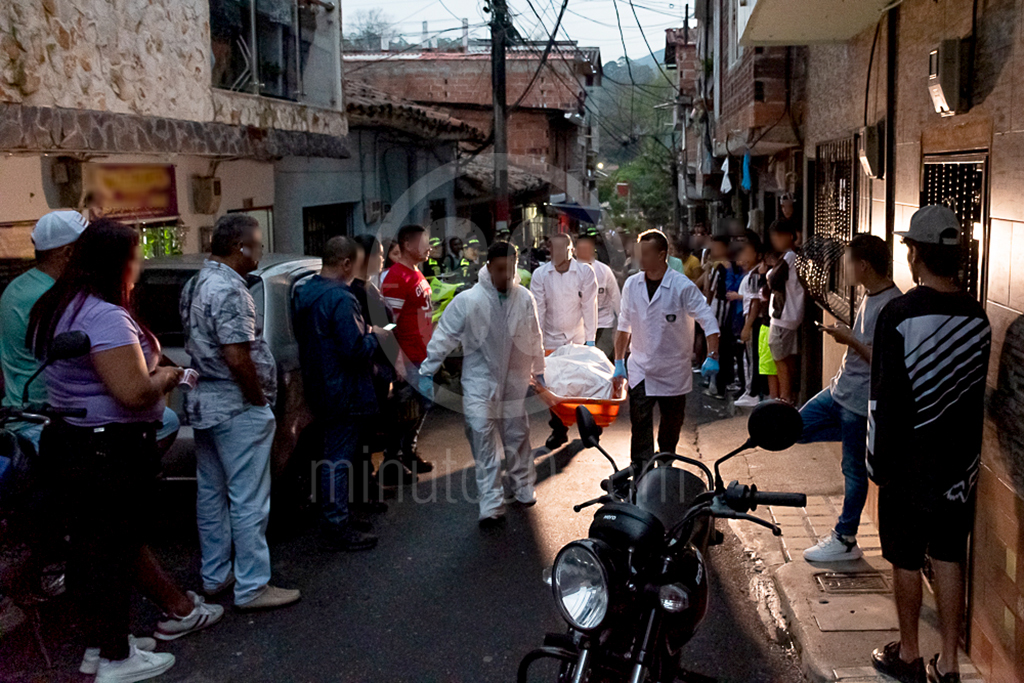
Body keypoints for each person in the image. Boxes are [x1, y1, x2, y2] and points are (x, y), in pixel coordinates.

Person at [29, 219, 223, 683]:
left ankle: (101, 647)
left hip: (73, 443)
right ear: (119, 263)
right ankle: (117, 659)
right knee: (113, 554)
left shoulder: (58, 305)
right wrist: (172, 376)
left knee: (94, 551)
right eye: (136, 257)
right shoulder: (104, 316)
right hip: (107, 451)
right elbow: (133, 393)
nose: (140, 266)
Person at [868, 206, 991, 683]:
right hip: (961, 466)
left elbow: (883, 400)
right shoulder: (977, 316)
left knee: (904, 556)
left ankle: (910, 656)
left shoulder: (898, 314)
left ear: (916, 254)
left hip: (906, 464)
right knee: (949, 553)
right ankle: (950, 663)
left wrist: (877, 463)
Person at [180, 214, 299, 611]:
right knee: (248, 499)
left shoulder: (195, 282)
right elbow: (236, 355)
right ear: (239, 247)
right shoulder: (230, 289)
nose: (260, 252)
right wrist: (257, 400)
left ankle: (216, 575)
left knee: (211, 494)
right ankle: (252, 586)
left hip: (205, 404)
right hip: (234, 403)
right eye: (257, 245)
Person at [419, 242, 545, 527]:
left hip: (513, 380)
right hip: (479, 381)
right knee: (482, 438)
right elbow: (445, 337)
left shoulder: (523, 298)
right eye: (500, 269)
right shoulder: (468, 301)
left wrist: (540, 370)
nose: (505, 276)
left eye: (510, 270)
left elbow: (534, 335)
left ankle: (522, 486)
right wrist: (426, 371)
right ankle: (491, 504)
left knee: (517, 435)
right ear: (488, 267)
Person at [799, 235, 900, 562]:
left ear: (864, 265)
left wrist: (849, 339)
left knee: (854, 472)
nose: (844, 270)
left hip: (858, 403)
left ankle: (845, 538)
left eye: (848, 263)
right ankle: (855, 438)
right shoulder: (872, 295)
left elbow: (885, 362)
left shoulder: (891, 304)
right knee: (793, 428)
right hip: (839, 390)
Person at [293, 237, 384, 551]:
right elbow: (354, 349)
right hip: (344, 388)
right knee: (338, 460)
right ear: (346, 263)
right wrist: (375, 335)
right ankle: (337, 523)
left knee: (331, 456)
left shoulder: (305, 292)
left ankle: (338, 514)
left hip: (319, 385)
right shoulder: (341, 299)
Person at [613, 230, 721, 468]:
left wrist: (712, 354)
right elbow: (624, 325)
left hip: (673, 370)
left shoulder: (682, 286)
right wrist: (619, 361)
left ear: (662, 255)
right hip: (640, 367)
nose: (640, 258)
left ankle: (665, 466)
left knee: (671, 426)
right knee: (640, 423)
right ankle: (641, 472)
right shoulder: (632, 284)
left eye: (646, 253)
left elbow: (708, 320)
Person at [529, 232, 598, 449]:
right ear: (549, 250)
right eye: (554, 249)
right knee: (553, 386)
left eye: (563, 249)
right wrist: (537, 343)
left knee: (584, 383)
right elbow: (538, 310)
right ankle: (559, 429)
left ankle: (591, 426)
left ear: (571, 250)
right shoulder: (540, 275)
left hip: (577, 336)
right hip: (550, 337)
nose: (558, 253)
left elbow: (589, 306)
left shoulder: (585, 272)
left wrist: (591, 340)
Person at [381, 224, 435, 480]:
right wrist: (398, 361)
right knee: (402, 413)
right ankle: (392, 461)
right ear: (408, 244)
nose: (429, 248)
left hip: (424, 356)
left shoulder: (416, 273)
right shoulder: (396, 278)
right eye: (425, 242)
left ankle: (408, 451)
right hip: (409, 358)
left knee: (421, 407)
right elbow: (388, 324)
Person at [350, 234, 396, 511]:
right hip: (371, 370)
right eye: (378, 254)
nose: (382, 259)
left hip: (377, 368)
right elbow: (375, 332)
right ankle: (364, 494)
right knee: (363, 438)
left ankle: (369, 488)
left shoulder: (368, 287)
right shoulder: (359, 292)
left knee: (368, 437)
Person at [767, 220, 805, 404]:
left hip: (783, 316)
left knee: (779, 357)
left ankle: (786, 397)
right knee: (786, 357)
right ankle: (789, 397)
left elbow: (773, 281)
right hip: (789, 315)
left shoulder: (789, 257)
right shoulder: (791, 257)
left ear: (790, 236)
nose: (776, 240)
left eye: (779, 236)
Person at [576, 229, 621, 360]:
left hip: (603, 324)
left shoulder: (604, 271)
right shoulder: (571, 273)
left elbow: (615, 298)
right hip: (580, 327)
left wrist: (621, 326)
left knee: (603, 362)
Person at [734, 233, 767, 408]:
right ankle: (750, 390)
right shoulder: (751, 274)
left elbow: (755, 302)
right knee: (749, 356)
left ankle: (753, 391)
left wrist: (747, 326)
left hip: (754, 321)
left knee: (753, 358)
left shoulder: (755, 276)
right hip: (749, 319)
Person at [705, 236, 740, 398]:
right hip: (726, 312)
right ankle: (720, 383)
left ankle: (718, 385)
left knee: (718, 347)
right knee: (723, 348)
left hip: (721, 312)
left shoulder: (722, 267)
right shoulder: (726, 266)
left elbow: (710, 290)